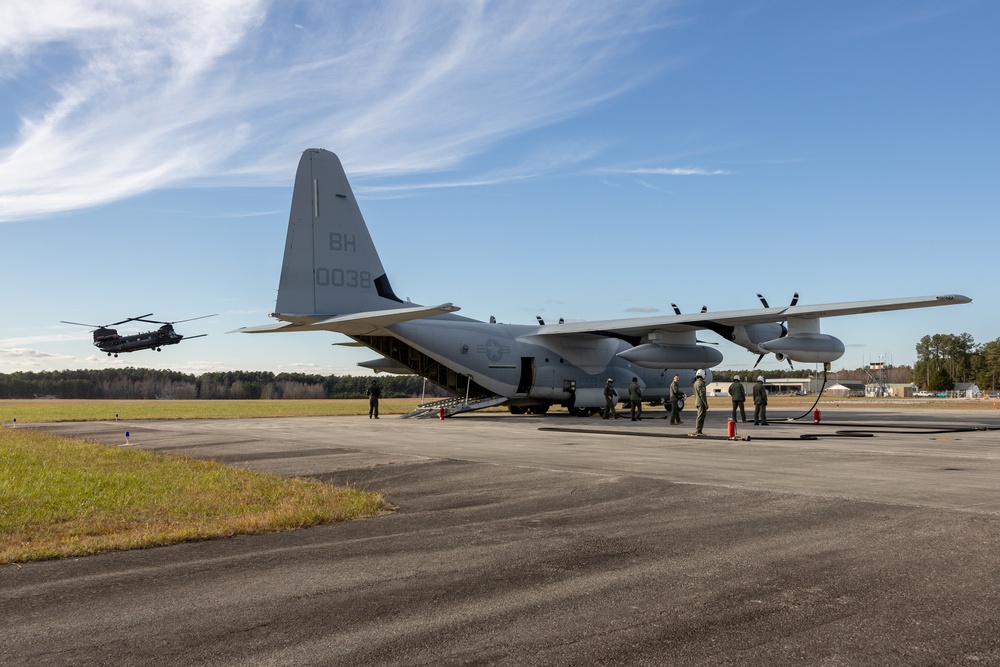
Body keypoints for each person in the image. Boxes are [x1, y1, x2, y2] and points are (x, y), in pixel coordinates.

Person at [691, 369, 708, 437]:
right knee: (700, 417)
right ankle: (698, 431)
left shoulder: (695, 383)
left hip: (697, 402)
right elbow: (702, 395)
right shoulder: (701, 383)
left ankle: (699, 430)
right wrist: (705, 404)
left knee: (699, 416)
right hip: (701, 403)